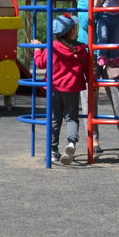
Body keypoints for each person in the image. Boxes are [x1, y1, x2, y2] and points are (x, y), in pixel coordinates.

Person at [32, 15, 89, 165]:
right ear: (72, 31)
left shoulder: (52, 46)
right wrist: (92, 83)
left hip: (54, 88)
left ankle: (52, 151)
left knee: (54, 119)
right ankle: (71, 143)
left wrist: (37, 49)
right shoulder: (81, 49)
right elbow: (88, 70)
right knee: (71, 118)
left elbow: (40, 63)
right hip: (72, 88)